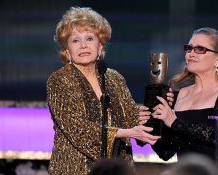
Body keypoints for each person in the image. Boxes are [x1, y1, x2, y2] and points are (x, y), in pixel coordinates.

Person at [46, 7, 174, 174]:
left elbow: (131, 119)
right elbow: (78, 129)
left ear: (100, 45)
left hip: (117, 167)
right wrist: (126, 132)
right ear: (67, 49)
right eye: (75, 40)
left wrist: (154, 111)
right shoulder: (59, 80)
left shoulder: (114, 78)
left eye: (89, 38)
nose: (83, 45)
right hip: (75, 167)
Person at [140, 27, 218, 165]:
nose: (191, 54)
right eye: (189, 48)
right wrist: (149, 130)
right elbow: (166, 152)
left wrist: (174, 122)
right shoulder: (179, 94)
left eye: (200, 49)